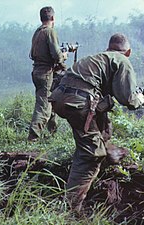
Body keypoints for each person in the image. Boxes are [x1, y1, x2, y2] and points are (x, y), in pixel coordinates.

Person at [49, 33, 144, 212]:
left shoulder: (97, 58)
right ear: (128, 52)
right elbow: (129, 100)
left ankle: (111, 154)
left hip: (60, 98)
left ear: (109, 47)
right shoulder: (122, 61)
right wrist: (140, 97)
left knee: (101, 126)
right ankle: (71, 209)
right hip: (78, 102)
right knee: (91, 155)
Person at [27, 6, 67, 142]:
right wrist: (63, 60)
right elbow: (56, 54)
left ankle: (52, 133)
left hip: (38, 71)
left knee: (50, 100)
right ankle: (33, 137)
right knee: (43, 106)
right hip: (45, 73)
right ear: (53, 18)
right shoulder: (50, 32)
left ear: (41, 18)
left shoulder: (37, 32)